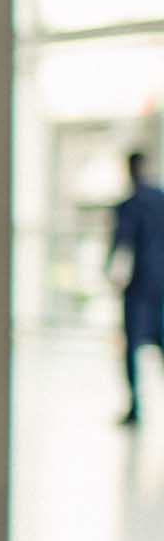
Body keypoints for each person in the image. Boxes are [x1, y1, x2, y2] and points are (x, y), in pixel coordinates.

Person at [115, 150, 164, 425]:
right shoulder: (160, 199)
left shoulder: (130, 205)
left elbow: (121, 244)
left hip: (140, 286)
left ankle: (135, 406)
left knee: (132, 345)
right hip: (160, 284)